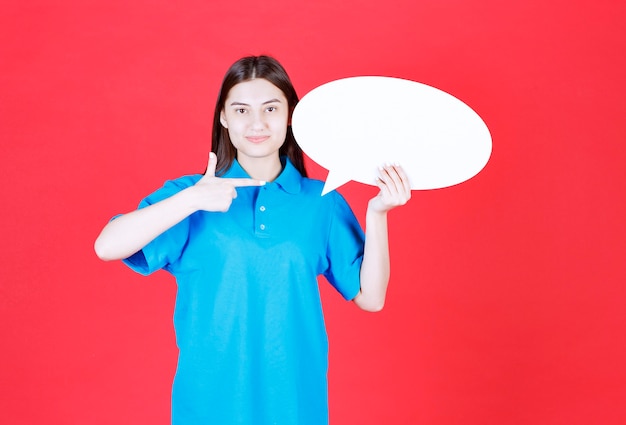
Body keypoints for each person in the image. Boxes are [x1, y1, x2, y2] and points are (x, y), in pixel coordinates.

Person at [94, 55, 411, 425]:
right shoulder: (191, 196)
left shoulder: (321, 202)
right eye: (241, 110)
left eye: (271, 108)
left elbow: (371, 298)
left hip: (296, 405)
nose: (257, 123)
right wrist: (193, 198)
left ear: (290, 114)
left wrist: (378, 214)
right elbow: (107, 245)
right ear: (224, 118)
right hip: (208, 406)